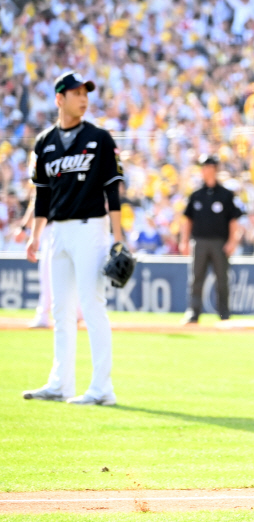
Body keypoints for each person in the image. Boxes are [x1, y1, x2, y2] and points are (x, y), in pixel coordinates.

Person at [23, 71, 124, 406]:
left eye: (86, 92)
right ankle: (60, 383)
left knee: (91, 306)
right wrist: (35, 236)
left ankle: (101, 389)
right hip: (57, 231)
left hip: (90, 228)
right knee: (60, 310)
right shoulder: (45, 142)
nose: (83, 98)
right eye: (76, 92)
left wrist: (118, 238)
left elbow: (113, 191)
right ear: (59, 98)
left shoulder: (99, 138)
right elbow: (42, 195)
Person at [180, 155, 242, 324]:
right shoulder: (196, 195)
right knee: (196, 279)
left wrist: (232, 241)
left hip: (219, 243)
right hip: (199, 242)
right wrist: (184, 241)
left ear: (214, 169)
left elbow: (233, 220)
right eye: (203, 167)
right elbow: (187, 220)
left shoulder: (225, 195)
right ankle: (194, 313)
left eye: (208, 167)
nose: (205, 170)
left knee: (222, 279)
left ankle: (224, 314)